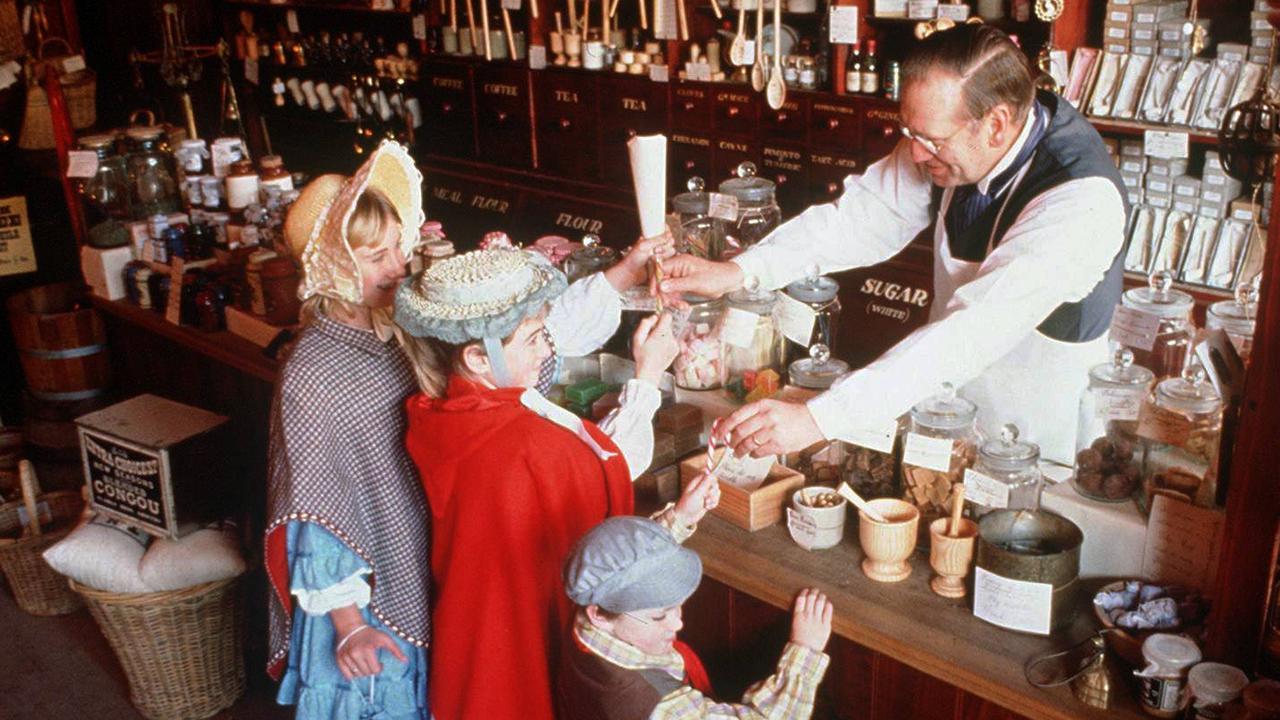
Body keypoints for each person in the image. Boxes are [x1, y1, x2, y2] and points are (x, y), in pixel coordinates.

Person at [660, 24, 1129, 466]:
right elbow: (860, 220)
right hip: (943, 402)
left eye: (930, 139)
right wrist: (740, 271)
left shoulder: (1080, 201)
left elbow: (975, 328)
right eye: (909, 133)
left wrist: (819, 418)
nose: (917, 153)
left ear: (997, 124)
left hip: (1034, 438)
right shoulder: (955, 136)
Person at [394, 247, 682, 720]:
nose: (547, 350)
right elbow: (610, 465)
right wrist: (647, 376)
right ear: (477, 357)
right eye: (533, 339)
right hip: (522, 626)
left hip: (475, 628)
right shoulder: (521, 445)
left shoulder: (442, 413)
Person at [264, 141, 432, 720]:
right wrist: (348, 624)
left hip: (410, 543)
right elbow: (315, 505)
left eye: (397, 249)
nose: (397, 268)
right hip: (360, 595)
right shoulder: (311, 369)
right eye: (376, 257)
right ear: (334, 265)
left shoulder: (393, 329)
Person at [559, 512, 834, 720]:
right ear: (600, 616)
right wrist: (804, 652)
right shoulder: (653, 705)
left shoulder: (589, 606)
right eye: (659, 617)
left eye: (677, 606)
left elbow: (620, 566)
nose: (679, 623)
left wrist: (679, 518)